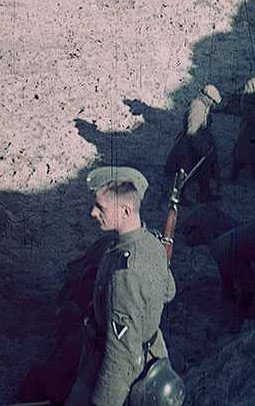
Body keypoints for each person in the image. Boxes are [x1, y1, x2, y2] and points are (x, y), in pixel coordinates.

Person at [66, 166, 178, 406]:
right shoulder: (152, 243)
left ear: (126, 210)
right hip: (152, 354)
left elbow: (120, 356)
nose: (92, 212)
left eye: (101, 208)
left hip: (114, 368)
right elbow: (169, 291)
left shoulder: (125, 275)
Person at [164, 84, 222, 203]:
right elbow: (192, 132)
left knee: (204, 169)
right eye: (213, 102)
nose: (213, 105)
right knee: (184, 173)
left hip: (198, 142)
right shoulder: (196, 108)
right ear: (208, 98)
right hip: (188, 146)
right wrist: (201, 149)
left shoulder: (204, 106)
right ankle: (180, 197)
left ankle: (204, 194)